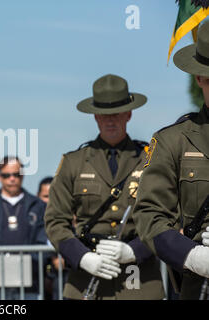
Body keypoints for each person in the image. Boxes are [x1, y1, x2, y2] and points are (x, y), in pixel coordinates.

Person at [44, 74, 165, 300]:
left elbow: (167, 217)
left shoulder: (151, 160)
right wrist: (82, 257)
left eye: (117, 114)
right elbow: (54, 221)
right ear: (95, 117)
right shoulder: (73, 162)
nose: (110, 121)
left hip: (139, 277)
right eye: (104, 114)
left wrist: (135, 250)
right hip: (86, 277)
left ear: (129, 114)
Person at [133, 22, 209, 300]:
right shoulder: (172, 141)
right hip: (200, 285)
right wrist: (193, 255)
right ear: (199, 78)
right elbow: (149, 216)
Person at [0, 156, 47, 299]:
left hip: (29, 279)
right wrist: (1, 262)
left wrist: (30, 260)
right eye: (7, 175)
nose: (12, 179)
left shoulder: (37, 205)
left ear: (22, 175)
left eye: (16, 174)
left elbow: (43, 238)